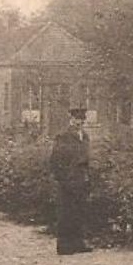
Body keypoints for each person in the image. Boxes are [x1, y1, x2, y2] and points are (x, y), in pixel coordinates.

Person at [49, 107, 94, 255]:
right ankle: (64, 245)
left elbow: (87, 159)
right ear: (71, 119)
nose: (79, 122)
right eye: (76, 119)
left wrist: (87, 176)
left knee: (80, 211)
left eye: (81, 120)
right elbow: (55, 160)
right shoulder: (63, 137)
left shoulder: (85, 137)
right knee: (65, 213)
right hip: (68, 180)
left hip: (82, 178)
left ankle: (78, 243)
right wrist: (63, 178)